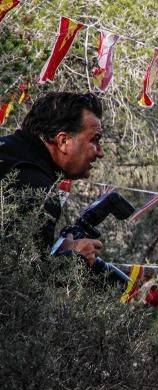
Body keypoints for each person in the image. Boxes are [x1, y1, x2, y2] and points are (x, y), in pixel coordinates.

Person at [0, 91, 104, 264]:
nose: (100, 152)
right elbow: (22, 280)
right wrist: (76, 258)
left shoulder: (10, 150)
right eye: (95, 140)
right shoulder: (36, 186)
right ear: (63, 141)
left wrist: (59, 251)